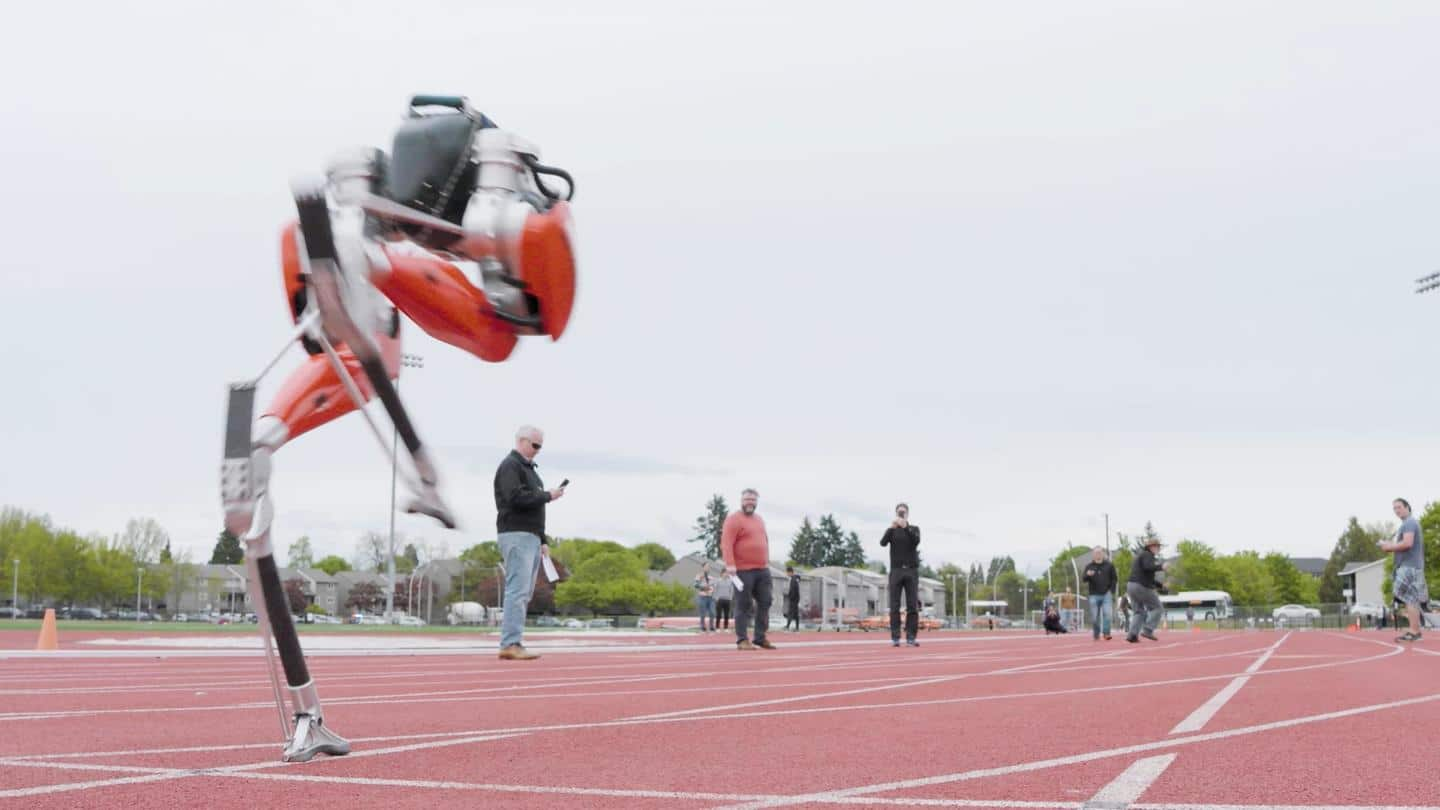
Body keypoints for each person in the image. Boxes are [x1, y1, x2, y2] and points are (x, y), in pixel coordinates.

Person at [494, 425, 565, 660]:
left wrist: (542, 539)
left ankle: (513, 641)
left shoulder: (530, 471)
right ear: (522, 441)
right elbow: (514, 498)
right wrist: (548, 496)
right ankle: (510, 643)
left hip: (530, 536)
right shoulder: (510, 466)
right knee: (517, 590)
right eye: (535, 445)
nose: (537, 450)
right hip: (516, 533)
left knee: (524, 591)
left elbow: (533, 507)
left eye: (540, 447)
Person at [721, 489, 775, 650]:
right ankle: (742, 639)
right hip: (743, 570)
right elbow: (726, 543)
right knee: (743, 604)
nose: (750, 502)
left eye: (752, 500)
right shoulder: (733, 519)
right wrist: (730, 564)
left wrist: (767, 560)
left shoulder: (759, 519)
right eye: (747, 499)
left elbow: (764, 540)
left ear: (756, 502)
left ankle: (760, 637)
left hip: (762, 569)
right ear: (741, 501)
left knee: (766, 601)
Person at [1380, 498, 1428, 642]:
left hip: (1409, 567)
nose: (1396, 510)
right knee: (1410, 599)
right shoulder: (1407, 524)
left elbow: (1407, 543)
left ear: (1407, 507)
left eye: (1399, 507)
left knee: (1404, 596)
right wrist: (1390, 544)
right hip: (1412, 567)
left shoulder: (1409, 523)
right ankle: (1415, 631)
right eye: (1394, 508)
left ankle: (1414, 630)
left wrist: (1389, 547)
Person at [880, 502, 922, 648]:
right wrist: (891, 527)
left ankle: (911, 637)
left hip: (911, 570)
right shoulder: (892, 531)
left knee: (912, 606)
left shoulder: (914, 529)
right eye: (899, 512)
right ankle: (895, 638)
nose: (901, 514)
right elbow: (882, 543)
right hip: (896, 570)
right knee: (894, 606)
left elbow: (916, 541)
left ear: (908, 514)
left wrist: (905, 526)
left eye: (903, 512)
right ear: (896, 513)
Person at [1125, 536, 1168, 643]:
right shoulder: (1147, 555)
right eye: (1157, 546)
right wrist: (1161, 567)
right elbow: (1148, 567)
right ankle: (1148, 630)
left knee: (1139, 612)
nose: (1158, 549)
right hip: (1140, 586)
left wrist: (1160, 585)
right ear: (1151, 547)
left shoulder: (1142, 556)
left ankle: (1132, 635)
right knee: (1157, 608)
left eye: (1159, 547)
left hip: (1131, 586)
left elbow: (1149, 576)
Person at [1082, 547, 1117, 641]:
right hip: (1093, 594)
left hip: (1106, 594)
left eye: (1100, 552)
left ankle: (1106, 633)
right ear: (1093, 555)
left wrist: (1111, 591)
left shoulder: (1109, 565)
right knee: (1094, 617)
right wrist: (1087, 575)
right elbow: (1084, 579)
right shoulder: (1089, 566)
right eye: (1096, 553)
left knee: (1107, 614)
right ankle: (1096, 634)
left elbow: (1114, 578)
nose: (1098, 554)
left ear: (1103, 554)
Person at [694, 564, 716, 632]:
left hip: (711, 597)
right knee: (703, 613)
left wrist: (712, 590)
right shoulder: (699, 576)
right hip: (702, 597)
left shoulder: (712, 577)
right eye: (706, 567)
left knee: (712, 612)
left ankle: (711, 626)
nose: (707, 568)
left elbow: (714, 586)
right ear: (703, 567)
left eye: (708, 567)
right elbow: (696, 585)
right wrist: (704, 587)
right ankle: (702, 626)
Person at [783, 565, 802, 631]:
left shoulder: (793, 580)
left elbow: (793, 590)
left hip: (794, 599)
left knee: (790, 612)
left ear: (790, 572)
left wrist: (790, 597)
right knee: (796, 614)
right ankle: (797, 628)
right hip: (796, 599)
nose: (787, 574)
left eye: (787, 572)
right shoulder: (795, 579)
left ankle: (787, 627)